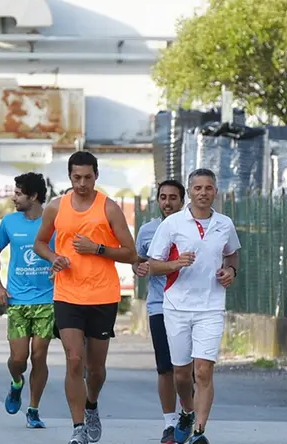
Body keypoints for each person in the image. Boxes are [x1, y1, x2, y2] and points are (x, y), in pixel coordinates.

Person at [33, 151, 139, 444]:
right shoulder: (56, 207)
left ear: (96, 176)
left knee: (95, 368)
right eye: (76, 177)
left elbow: (131, 253)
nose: (82, 183)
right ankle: (78, 426)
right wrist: (53, 257)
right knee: (74, 358)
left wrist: (98, 249)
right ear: (69, 177)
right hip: (67, 294)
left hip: (102, 295)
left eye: (88, 177)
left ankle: (91, 404)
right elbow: (39, 242)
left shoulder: (109, 208)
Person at [146, 168, 241, 444]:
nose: (203, 193)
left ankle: (199, 431)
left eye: (208, 188)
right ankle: (186, 411)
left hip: (211, 306)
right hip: (177, 306)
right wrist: (175, 263)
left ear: (215, 192)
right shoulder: (172, 224)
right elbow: (152, 265)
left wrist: (231, 272)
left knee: (203, 370)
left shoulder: (224, 224)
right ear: (190, 192)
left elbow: (232, 255)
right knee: (181, 372)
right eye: (197, 188)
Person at [0, 172, 55, 429]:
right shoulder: (9, 222)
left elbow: (66, 252)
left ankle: (33, 409)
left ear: (34, 196)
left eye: (18, 193)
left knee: (39, 357)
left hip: (47, 300)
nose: (14, 198)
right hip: (17, 301)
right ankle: (17, 383)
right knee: (18, 359)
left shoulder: (54, 223)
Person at [132, 180, 186, 443]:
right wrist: (139, 268)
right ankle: (169, 423)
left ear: (182, 200)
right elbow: (138, 261)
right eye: (163, 197)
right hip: (159, 306)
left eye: (173, 197)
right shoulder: (148, 230)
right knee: (165, 368)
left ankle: (192, 420)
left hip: (191, 306)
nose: (167, 202)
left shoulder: (194, 228)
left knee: (189, 370)